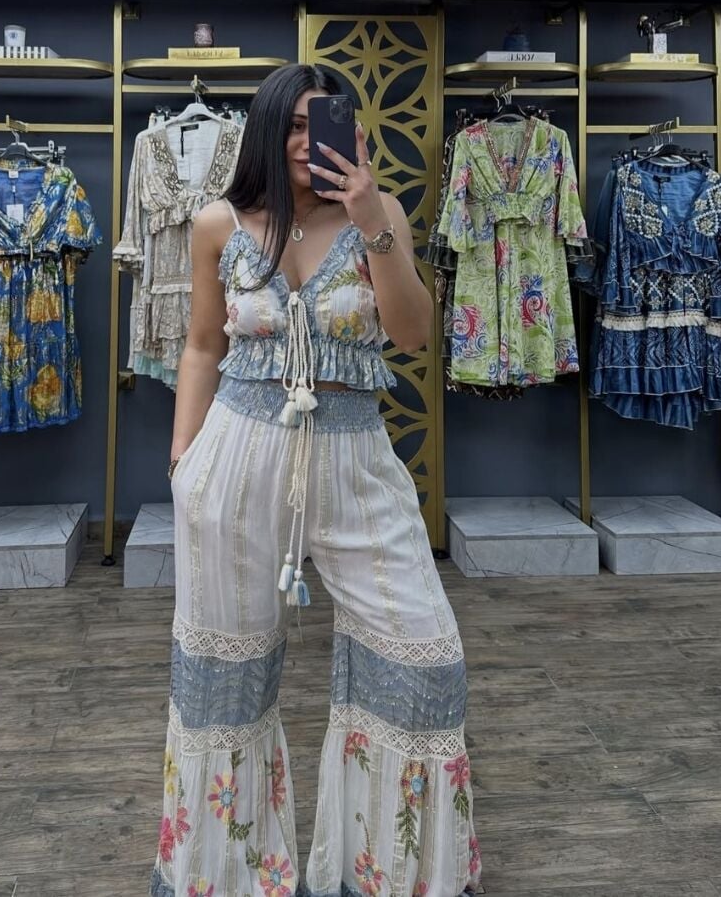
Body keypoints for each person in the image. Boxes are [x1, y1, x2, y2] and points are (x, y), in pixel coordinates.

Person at [151, 63, 481, 897]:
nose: (307, 140)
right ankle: (227, 877)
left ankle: (386, 875)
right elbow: (202, 345)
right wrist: (184, 460)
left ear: (352, 129)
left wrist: (372, 221)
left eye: (323, 121)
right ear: (268, 128)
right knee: (225, 681)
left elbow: (413, 335)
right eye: (293, 124)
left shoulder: (381, 215)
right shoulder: (219, 223)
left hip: (355, 457)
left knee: (426, 659)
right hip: (236, 458)